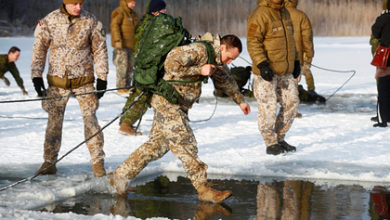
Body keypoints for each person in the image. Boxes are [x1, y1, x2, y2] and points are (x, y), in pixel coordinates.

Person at [109, 34, 251, 203]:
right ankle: (203, 188)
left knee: (157, 146)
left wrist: (240, 101)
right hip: (167, 101)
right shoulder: (199, 50)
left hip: (177, 104)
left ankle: (119, 177)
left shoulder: (216, 59)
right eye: (229, 57)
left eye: (232, 60)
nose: (228, 62)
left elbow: (225, 80)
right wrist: (199, 70)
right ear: (222, 48)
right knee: (185, 142)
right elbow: (171, 64)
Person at [31, 0, 108, 177]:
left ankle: (98, 164)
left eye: (81, 3)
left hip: (84, 81)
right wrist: (36, 75)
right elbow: (39, 48)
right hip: (57, 82)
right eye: (74, 4)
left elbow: (100, 49)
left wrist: (102, 78)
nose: (78, 7)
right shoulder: (50, 20)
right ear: (65, 3)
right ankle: (49, 162)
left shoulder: (91, 20)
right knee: (54, 123)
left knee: (91, 121)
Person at [247, 0, 301, 155]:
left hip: (285, 70)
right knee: (268, 106)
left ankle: (280, 138)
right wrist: (262, 63)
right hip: (266, 71)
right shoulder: (260, 14)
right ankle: (271, 142)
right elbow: (253, 41)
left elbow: (291, 41)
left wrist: (296, 61)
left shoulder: (285, 13)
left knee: (292, 102)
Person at [118, 0, 167, 136]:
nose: (165, 13)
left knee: (137, 93)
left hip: (142, 65)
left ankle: (125, 122)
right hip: (147, 66)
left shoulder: (145, 22)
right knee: (143, 96)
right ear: (155, 11)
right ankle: (126, 124)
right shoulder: (152, 25)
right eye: (163, 10)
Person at [285, 0, 315, 94]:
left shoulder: (274, 15)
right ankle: (311, 91)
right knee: (304, 72)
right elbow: (307, 40)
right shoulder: (302, 16)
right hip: (297, 58)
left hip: (278, 58)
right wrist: (309, 56)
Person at [111, 0, 138, 95]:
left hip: (132, 45)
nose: (133, 4)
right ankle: (121, 88)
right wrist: (117, 40)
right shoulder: (119, 12)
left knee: (131, 66)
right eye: (131, 2)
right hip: (122, 46)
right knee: (123, 66)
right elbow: (114, 26)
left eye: (134, 2)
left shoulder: (134, 14)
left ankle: (127, 87)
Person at [371, 0, 390, 127]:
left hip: (387, 55)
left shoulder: (385, 18)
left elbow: (375, 32)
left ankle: (383, 119)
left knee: (383, 85)